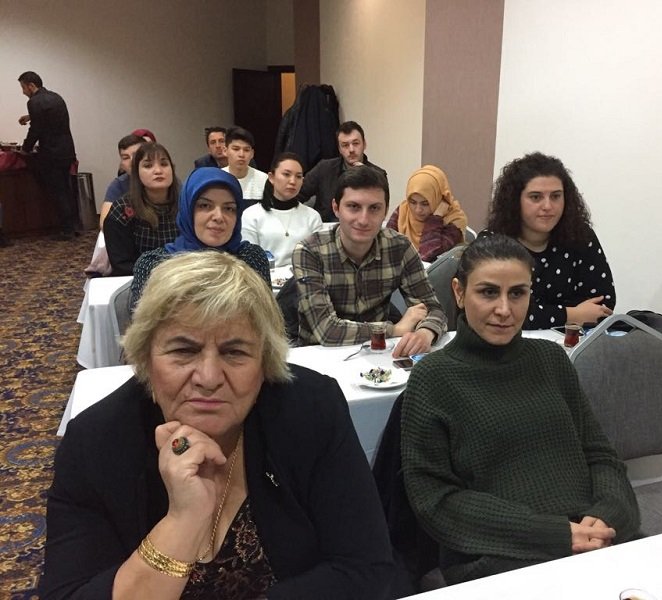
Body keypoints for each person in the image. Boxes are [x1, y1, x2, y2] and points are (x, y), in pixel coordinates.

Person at [40, 251, 395, 599]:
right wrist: (183, 520)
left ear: (265, 362)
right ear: (145, 357)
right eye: (184, 350)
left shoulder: (310, 409)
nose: (208, 378)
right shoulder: (96, 442)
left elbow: (365, 568)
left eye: (234, 352)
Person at [401, 233, 640, 585]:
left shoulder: (551, 358)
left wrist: (608, 514)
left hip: (592, 539)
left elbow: (600, 455)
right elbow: (435, 500)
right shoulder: (434, 378)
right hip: (496, 555)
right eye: (488, 292)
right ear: (458, 293)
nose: (504, 309)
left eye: (517, 293)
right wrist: (553, 534)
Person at [293, 166, 447, 358]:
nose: (364, 220)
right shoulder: (310, 251)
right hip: (319, 356)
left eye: (374, 208)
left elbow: (433, 308)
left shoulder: (399, 247)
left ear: (385, 211)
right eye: (354, 207)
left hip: (378, 355)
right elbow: (327, 331)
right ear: (336, 208)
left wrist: (425, 332)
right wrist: (394, 330)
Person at [487, 152, 615, 329]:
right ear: (515, 201)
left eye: (555, 196)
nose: (547, 206)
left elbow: (603, 304)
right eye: (536, 197)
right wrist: (572, 314)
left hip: (570, 340)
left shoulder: (580, 236)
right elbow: (499, 312)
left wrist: (543, 313)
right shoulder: (492, 244)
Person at [130, 167, 272, 310]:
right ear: (188, 210)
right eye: (205, 206)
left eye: (229, 208)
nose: (218, 217)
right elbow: (144, 323)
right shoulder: (154, 264)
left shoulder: (251, 259)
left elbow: (267, 320)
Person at [16, 71, 77, 240]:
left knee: (58, 191)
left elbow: (36, 129)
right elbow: (49, 117)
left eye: (23, 87)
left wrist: (25, 148)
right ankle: (73, 226)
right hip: (66, 150)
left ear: (31, 85)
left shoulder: (34, 102)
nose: (23, 92)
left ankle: (66, 230)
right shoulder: (56, 97)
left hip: (51, 153)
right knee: (67, 189)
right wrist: (29, 116)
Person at [104, 143, 180, 276]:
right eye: (148, 166)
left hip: (181, 274)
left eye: (164, 164)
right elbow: (121, 263)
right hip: (138, 277)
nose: (158, 170)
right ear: (137, 173)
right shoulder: (122, 209)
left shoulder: (186, 204)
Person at [241, 152, 322, 268]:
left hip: (304, 276)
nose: (293, 181)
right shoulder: (252, 215)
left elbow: (318, 258)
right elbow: (249, 261)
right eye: (286, 174)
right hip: (264, 277)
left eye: (298, 176)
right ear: (271, 177)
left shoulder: (312, 216)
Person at [295, 121, 387, 222]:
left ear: (364, 144)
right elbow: (297, 194)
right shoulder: (324, 168)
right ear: (339, 149)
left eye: (356, 143)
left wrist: (367, 176)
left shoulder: (378, 175)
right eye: (345, 145)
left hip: (362, 226)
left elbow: (381, 211)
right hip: (326, 226)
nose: (351, 149)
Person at [386, 165, 467, 262]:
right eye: (413, 202)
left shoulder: (454, 220)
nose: (418, 210)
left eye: (425, 204)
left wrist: (435, 219)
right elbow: (386, 246)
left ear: (439, 198)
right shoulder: (403, 210)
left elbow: (428, 254)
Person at [99, 134, 146, 229]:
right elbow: (104, 223)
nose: (132, 161)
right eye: (125, 157)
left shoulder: (162, 179)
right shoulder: (118, 185)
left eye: (136, 155)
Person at [221, 127, 267, 208]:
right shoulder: (218, 178)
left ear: (252, 154)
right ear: (225, 151)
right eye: (236, 149)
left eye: (246, 150)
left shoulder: (264, 180)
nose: (241, 154)